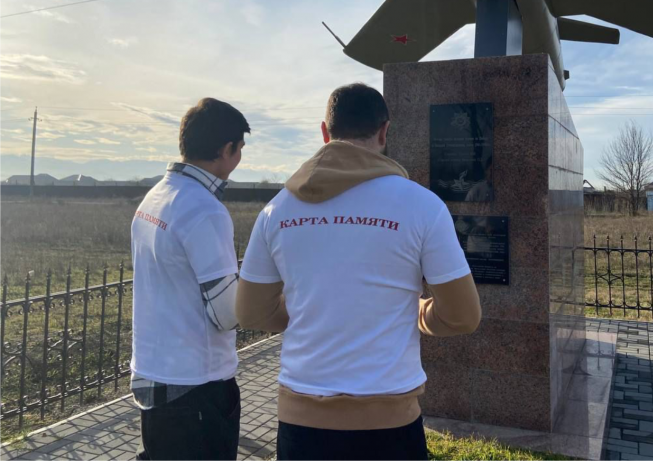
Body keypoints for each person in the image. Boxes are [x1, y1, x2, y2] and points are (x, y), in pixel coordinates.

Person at [236, 83, 482, 461]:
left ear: (325, 133)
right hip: (390, 424)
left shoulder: (276, 210)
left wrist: (311, 309)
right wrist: (417, 311)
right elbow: (463, 316)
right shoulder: (423, 206)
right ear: (384, 132)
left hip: (301, 423)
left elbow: (251, 313)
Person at [131, 97, 250, 460]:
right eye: (240, 149)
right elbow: (226, 314)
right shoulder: (205, 209)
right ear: (226, 149)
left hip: (155, 375)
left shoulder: (155, 197)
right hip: (197, 386)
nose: (239, 158)